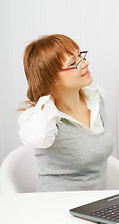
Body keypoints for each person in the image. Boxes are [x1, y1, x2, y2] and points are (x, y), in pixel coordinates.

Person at [18, 34, 114, 192]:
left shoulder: (96, 98)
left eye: (80, 56)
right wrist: (47, 98)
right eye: (73, 63)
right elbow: (36, 138)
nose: (85, 63)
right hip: (56, 208)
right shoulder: (41, 119)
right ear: (52, 78)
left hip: (95, 206)